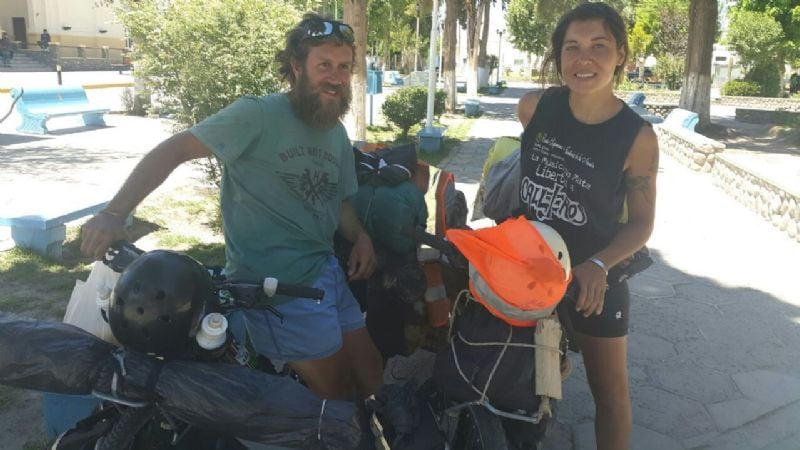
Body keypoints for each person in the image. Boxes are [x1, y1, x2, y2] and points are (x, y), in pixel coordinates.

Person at [80, 13, 385, 401]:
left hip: (325, 273)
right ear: (297, 67)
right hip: (277, 291)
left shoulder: (335, 131)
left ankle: (378, 429)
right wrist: (113, 213)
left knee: (371, 370)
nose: (337, 77)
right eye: (324, 65)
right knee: (334, 394)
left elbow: (337, 200)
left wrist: (361, 238)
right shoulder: (258, 115)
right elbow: (174, 150)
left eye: (344, 67)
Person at [516, 3, 658, 449]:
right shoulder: (534, 107)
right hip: (528, 271)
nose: (584, 59)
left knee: (611, 393)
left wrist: (600, 262)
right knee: (509, 374)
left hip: (594, 278)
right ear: (558, 56)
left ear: (621, 55)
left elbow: (641, 224)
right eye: (572, 47)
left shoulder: (637, 137)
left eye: (599, 46)